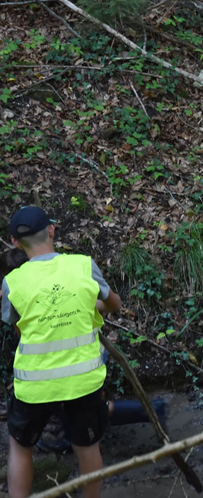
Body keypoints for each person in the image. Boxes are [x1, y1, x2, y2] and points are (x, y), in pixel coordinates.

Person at [2, 206, 122, 498]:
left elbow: (18, 326)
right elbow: (113, 304)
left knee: (20, 447)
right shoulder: (83, 265)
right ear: (52, 230)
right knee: (87, 448)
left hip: (34, 386)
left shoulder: (12, 283)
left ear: (16, 243)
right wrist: (94, 306)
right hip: (82, 381)